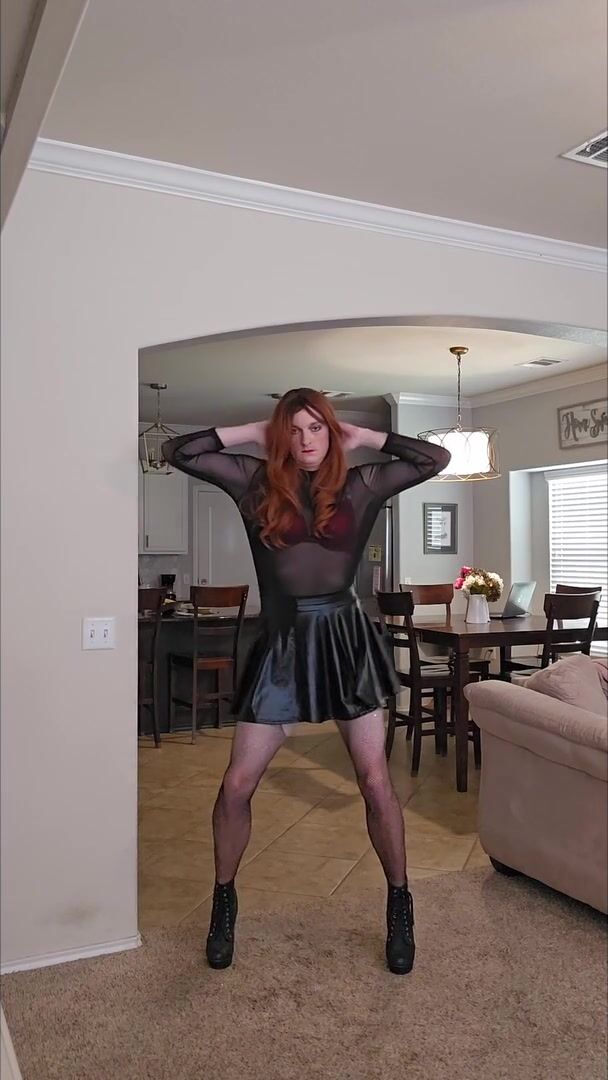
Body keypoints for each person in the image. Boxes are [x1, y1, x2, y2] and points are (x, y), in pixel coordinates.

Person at [163, 388, 450, 975]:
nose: (305, 440)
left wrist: (365, 436)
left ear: (331, 432)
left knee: (374, 781)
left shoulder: (362, 485)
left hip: (346, 640)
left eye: (316, 427)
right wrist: (253, 431)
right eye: (293, 429)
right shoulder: (254, 483)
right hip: (281, 645)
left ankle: (399, 903)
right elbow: (179, 451)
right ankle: (224, 901)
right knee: (237, 784)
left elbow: (434, 459)